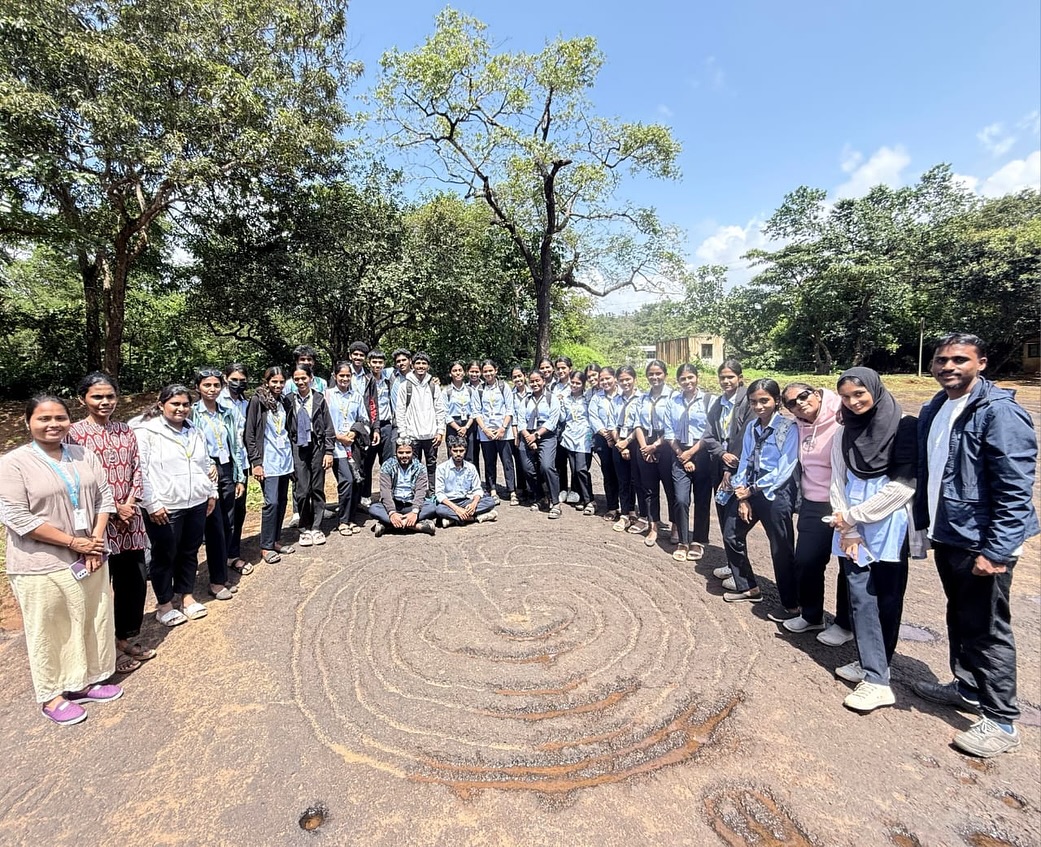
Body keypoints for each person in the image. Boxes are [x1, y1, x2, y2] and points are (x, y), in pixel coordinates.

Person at [912, 333, 1038, 757]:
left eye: (959, 359)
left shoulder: (999, 413)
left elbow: (1016, 488)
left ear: (981, 362)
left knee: (988, 628)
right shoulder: (937, 406)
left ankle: (1001, 720)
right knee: (959, 615)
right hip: (950, 533)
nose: (948, 366)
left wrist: (997, 550)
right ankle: (966, 686)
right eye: (941, 359)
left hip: (983, 542)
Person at [1, 395, 122, 725]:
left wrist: (94, 543)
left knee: (92, 619)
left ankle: (86, 681)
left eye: (59, 417)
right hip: (41, 562)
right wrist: (74, 543)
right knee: (50, 629)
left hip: (91, 556)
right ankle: (52, 695)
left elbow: (104, 498)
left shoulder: (83, 454)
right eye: (44, 419)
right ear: (29, 422)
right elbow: (16, 517)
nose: (53, 424)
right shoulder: (13, 463)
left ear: (70, 420)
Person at [828, 367, 920, 713]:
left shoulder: (904, 426)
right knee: (860, 597)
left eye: (859, 395)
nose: (853, 402)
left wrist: (855, 516)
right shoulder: (844, 432)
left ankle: (878, 673)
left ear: (875, 390)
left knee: (887, 598)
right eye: (846, 397)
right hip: (851, 524)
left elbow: (903, 486)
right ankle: (874, 668)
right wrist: (846, 524)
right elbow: (838, 479)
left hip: (888, 524)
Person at [68, 373, 155, 673]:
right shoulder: (73, 435)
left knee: (134, 579)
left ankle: (124, 638)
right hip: (97, 522)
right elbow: (75, 479)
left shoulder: (125, 430)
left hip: (130, 521)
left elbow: (136, 470)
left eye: (110, 397)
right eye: (97, 397)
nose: (105, 402)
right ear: (83, 399)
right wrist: (112, 507)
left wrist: (130, 503)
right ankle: (102, 651)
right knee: (100, 587)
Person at [135, 385, 218, 626]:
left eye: (185, 404)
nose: (181, 409)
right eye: (175, 404)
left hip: (197, 502)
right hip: (165, 506)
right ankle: (164, 604)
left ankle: (187, 597)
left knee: (189, 551)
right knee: (164, 555)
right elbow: (140, 471)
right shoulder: (146, 432)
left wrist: (210, 492)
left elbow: (205, 462)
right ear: (161, 405)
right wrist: (151, 504)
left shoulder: (194, 430)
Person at [779, 382, 853, 643]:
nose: (799, 403)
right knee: (806, 561)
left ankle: (845, 625)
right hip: (812, 502)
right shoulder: (797, 425)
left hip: (843, 503)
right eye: (791, 402)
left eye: (803, 396)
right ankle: (812, 615)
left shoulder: (841, 415)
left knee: (848, 566)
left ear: (817, 394)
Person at [717, 378, 799, 609]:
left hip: (775, 494)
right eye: (754, 402)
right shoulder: (753, 427)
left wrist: (752, 490)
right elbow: (745, 460)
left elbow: (785, 468)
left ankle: (791, 604)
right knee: (731, 534)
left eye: (764, 401)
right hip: (749, 489)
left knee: (781, 548)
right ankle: (748, 586)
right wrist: (741, 493)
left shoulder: (787, 428)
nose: (759, 406)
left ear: (777, 401)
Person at [192, 368, 245, 602]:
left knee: (228, 523)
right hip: (205, 474)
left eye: (215, 385)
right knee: (213, 527)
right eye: (207, 386)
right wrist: (207, 465)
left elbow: (235, 445)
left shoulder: (228, 412)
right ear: (198, 388)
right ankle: (216, 581)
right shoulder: (192, 414)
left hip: (227, 471)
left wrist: (239, 476)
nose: (212, 390)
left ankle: (223, 569)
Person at [702, 360, 752, 580]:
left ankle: (742, 574)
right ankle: (732, 565)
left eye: (730, 377)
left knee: (735, 524)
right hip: (720, 466)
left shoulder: (748, 402)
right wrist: (722, 455)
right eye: (722, 377)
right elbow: (709, 435)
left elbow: (744, 438)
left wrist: (729, 469)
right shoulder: (718, 404)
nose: (726, 381)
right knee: (723, 516)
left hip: (738, 470)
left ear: (739, 377)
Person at [244, 367, 296, 564]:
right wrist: (256, 462)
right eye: (274, 382)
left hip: (284, 458)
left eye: (281, 382)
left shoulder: (284, 401)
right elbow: (249, 433)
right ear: (266, 382)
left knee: (282, 500)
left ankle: (276, 540)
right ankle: (265, 546)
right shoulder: (257, 401)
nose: (278, 385)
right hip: (267, 460)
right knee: (271, 502)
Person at [664, 363, 714, 562]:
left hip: (701, 452)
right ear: (678, 381)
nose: (687, 382)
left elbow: (710, 431)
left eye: (690, 377)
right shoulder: (673, 402)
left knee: (702, 500)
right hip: (678, 451)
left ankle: (698, 540)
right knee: (681, 499)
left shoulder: (709, 401)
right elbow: (668, 431)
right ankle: (683, 541)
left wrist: (692, 453)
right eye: (683, 379)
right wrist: (681, 454)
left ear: (697, 378)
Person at [289, 364, 334, 547]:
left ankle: (316, 527)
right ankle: (304, 527)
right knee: (301, 490)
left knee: (317, 488)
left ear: (311, 378)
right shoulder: (288, 400)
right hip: (298, 447)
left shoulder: (319, 399)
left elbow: (328, 426)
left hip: (317, 446)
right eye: (297, 379)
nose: (300, 382)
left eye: (304, 378)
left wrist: (329, 451)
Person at [634, 359, 677, 547]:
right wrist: (645, 447)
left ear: (665, 375)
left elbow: (673, 426)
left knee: (671, 489)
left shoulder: (674, 397)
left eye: (658, 373)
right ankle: (653, 527)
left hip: (666, 445)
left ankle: (676, 527)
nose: (654, 377)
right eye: (651, 374)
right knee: (649, 490)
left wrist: (656, 446)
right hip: (645, 444)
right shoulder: (642, 398)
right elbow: (637, 424)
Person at [219, 363, 253, 577]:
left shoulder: (246, 403)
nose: (238, 383)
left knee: (239, 510)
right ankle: (222, 556)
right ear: (225, 378)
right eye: (234, 379)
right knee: (224, 513)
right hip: (223, 464)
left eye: (242, 380)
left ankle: (232, 553)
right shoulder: (218, 402)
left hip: (243, 462)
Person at [326, 360, 365, 536]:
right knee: (346, 481)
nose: (344, 379)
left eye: (348, 376)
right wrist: (338, 436)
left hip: (353, 445)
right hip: (335, 446)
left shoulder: (356, 396)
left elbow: (363, 419)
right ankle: (343, 520)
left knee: (357, 481)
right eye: (341, 375)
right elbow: (322, 422)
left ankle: (352, 518)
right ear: (335, 376)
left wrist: (354, 434)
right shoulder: (327, 395)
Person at [517, 369, 562, 519]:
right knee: (527, 468)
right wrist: (528, 437)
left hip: (546, 435)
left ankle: (555, 503)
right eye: (532, 381)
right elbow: (521, 420)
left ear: (544, 381)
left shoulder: (552, 399)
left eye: (538, 381)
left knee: (547, 466)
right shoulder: (526, 400)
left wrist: (536, 436)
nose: (535, 384)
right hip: (527, 434)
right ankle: (540, 497)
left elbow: (553, 421)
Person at [473, 359, 518, 505]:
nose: (488, 374)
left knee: (507, 462)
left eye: (490, 370)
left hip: (503, 432)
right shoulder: (479, 390)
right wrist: (485, 429)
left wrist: (503, 428)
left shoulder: (504, 387)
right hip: (486, 432)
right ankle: (492, 489)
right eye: (485, 371)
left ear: (496, 370)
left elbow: (509, 409)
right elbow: (476, 412)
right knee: (489, 462)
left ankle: (512, 491)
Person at [369, 439, 437, 536]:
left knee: (432, 507)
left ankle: (389, 525)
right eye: (401, 452)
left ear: (412, 452)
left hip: (411, 505)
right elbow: (386, 492)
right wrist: (392, 513)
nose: (404, 455)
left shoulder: (419, 467)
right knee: (374, 508)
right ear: (396, 453)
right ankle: (415, 526)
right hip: (394, 505)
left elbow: (420, 491)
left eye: (408, 452)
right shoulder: (387, 466)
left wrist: (414, 512)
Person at [395, 352, 444, 480]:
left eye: (424, 363)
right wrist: (403, 434)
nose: (421, 366)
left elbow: (440, 410)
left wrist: (440, 431)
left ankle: (432, 493)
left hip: (431, 435)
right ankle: (416, 494)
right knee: (413, 467)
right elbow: (400, 411)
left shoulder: (434, 386)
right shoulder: (405, 386)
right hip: (412, 435)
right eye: (418, 363)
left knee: (432, 466)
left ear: (428, 366)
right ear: (413, 364)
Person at [611, 365, 648, 533]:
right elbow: (612, 423)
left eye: (628, 379)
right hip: (619, 442)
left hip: (635, 442)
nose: (625, 382)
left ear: (635, 379)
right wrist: (619, 442)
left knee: (639, 481)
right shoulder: (616, 400)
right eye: (621, 380)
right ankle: (625, 514)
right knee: (623, 480)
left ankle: (643, 516)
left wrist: (627, 442)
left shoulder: (643, 399)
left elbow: (641, 424)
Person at [434, 436, 499, 526]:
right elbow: (439, 494)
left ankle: (453, 519)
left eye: (461, 451)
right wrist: (457, 509)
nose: (458, 454)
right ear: (450, 450)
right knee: (439, 510)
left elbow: (477, 489)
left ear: (465, 450)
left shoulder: (470, 467)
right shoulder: (441, 468)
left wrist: (474, 504)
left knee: (490, 502)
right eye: (455, 451)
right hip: (450, 502)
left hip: (467, 501)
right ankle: (475, 518)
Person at [587, 366, 621, 522]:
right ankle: (612, 506)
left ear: (614, 378)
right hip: (603, 439)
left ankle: (629, 509)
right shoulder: (597, 397)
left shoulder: (624, 395)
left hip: (624, 439)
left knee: (626, 475)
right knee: (608, 473)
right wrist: (606, 434)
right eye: (602, 379)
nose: (605, 381)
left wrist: (618, 437)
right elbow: (593, 417)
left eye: (608, 378)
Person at [560, 371, 595, 514]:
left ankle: (590, 500)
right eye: (572, 382)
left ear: (583, 384)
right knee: (574, 470)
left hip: (584, 437)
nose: (574, 385)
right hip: (569, 437)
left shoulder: (588, 398)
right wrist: (560, 403)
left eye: (578, 383)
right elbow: (562, 418)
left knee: (581, 469)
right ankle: (581, 497)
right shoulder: (566, 399)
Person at [551, 356, 576, 503]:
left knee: (574, 461)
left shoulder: (575, 384)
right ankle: (562, 489)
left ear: (570, 369)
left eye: (563, 368)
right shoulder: (554, 386)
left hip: (573, 428)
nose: (560, 371)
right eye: (558, 368)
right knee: (559, 460)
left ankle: (575, 489)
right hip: (558, 429)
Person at [509, 365, 530, 501]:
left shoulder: (532, 391)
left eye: (519, 376)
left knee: (532, 461)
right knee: (519, 460)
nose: (517, 379)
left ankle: (534, 488)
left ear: (525, 376)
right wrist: (516, 434)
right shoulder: (511, 395)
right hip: (518, 431)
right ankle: (522, 488)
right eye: (514, 377)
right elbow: (513, 415)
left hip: (533, 430)